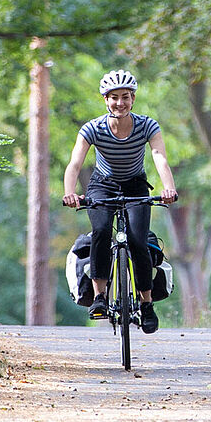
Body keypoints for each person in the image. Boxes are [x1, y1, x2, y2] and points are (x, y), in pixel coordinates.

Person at [63, 69, 179, 333]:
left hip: (136, 184)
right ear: (105, 100)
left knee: (138, 241)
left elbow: (159, 156)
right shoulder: (93, 128)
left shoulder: (147, 125)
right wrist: (70, 192)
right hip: (102, 185)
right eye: (114, 97)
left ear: (133, 98)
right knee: (102, 230)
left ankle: (146, 304)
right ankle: (100, 297)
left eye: (125, 97)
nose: (120, 103)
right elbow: (75, 162)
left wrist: (169, 188)